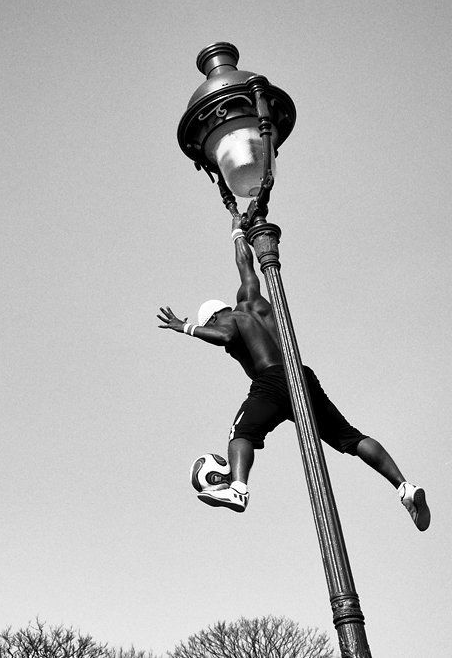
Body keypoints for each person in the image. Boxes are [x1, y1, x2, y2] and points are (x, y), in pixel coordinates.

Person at [157, 214, 430, 531]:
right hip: (301, 377)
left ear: (213, 319)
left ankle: (239, 488)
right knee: (351, 439)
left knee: (241, 434)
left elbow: (226, 337)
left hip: (272, 381)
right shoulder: (253, 300)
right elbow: (246, 265)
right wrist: (237, 230)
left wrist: (186, 328)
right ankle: (404, 487)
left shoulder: (229, 322)